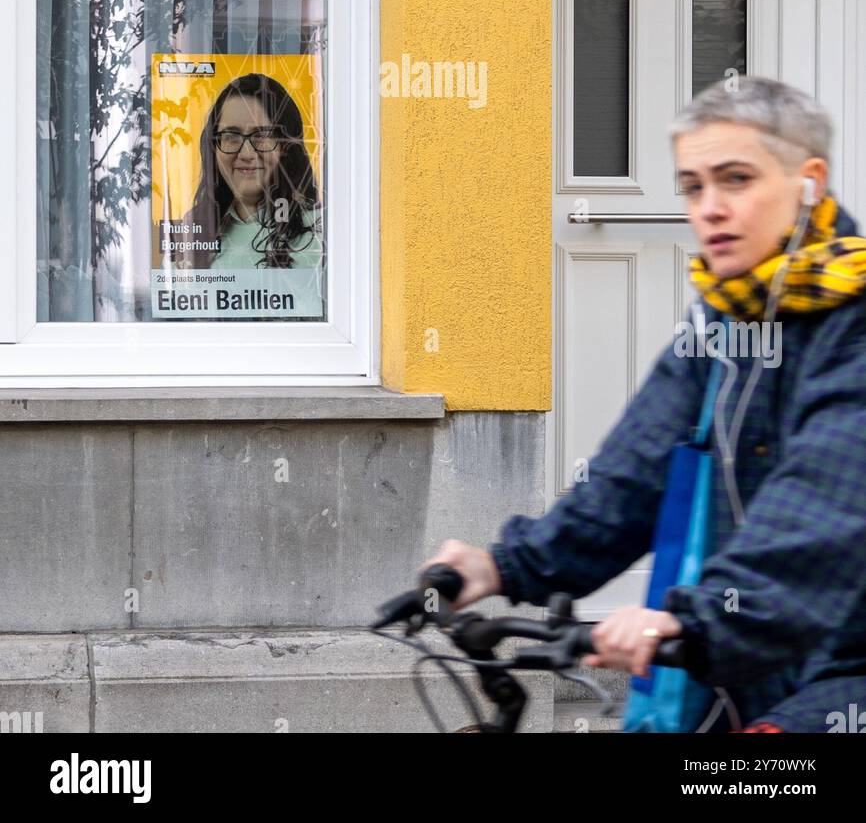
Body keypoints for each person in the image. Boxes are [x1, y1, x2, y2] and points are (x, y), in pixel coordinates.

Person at [422, 77, 866, 732]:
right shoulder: (723, 319)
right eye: (692, 186)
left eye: (736, 179)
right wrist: (505, 565)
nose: (709, 207)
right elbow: (634, 470)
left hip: (842, 665)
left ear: (810, 183)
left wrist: (697, 616)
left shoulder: (851, 322)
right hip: (747, 648)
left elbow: (825, 503)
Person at [177, 72, 322, 272]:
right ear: (214, 147)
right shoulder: (191, 232)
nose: (247, 153)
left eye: (262, 135)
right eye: (231, 136)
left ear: (285, 146)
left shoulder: (321, 229)